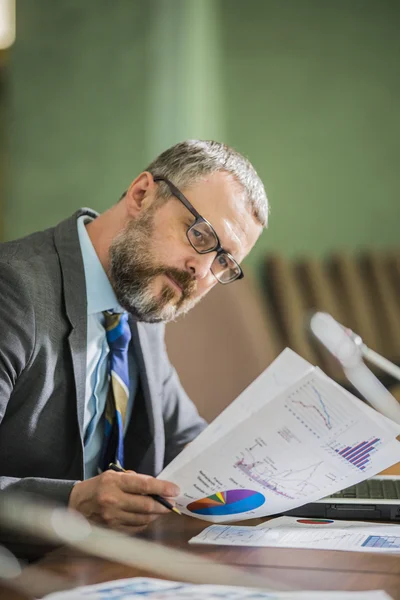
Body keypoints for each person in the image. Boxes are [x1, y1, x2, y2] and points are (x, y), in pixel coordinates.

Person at [0, 140, 268, 551]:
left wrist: (279, 460)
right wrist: (70, 502)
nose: (202, 270)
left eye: (223, 263)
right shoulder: (13, 290)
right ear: (142, 194)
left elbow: (186, 442)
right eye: (200, 235)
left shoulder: (140, 300)